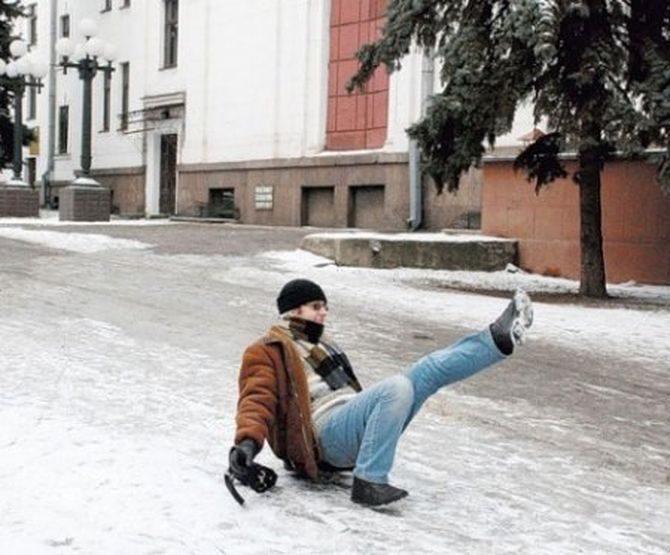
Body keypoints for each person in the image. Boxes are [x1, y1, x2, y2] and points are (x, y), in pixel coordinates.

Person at [228, 278, 533, 507]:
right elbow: (256, 399)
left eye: (325, 307)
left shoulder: (324, 344)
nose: (324, 313)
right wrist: (246, 445)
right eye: (316, 307)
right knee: (396, 387)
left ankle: (496, 339)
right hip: (321, 438)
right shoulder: (267, 349)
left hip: (348, 423)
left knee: (426, 371)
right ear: (294, 310)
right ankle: (369, 482)